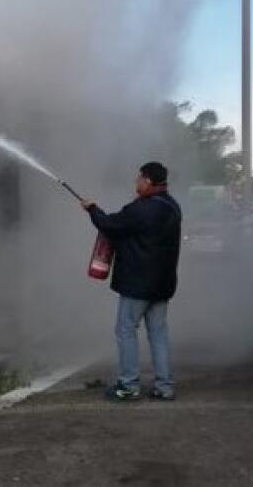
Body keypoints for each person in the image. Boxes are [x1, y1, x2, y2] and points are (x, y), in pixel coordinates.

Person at [81, 162, 182, 401]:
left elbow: (110, 225)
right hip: (162, 284)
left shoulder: (141, 209)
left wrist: (92, 210)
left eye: (138, 179)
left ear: (147, 181)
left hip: (137, 285)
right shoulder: (173, 207)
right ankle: (164, 387)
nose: (136, 183)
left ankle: (128, 385)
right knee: (158, 334)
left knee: (126, 330)